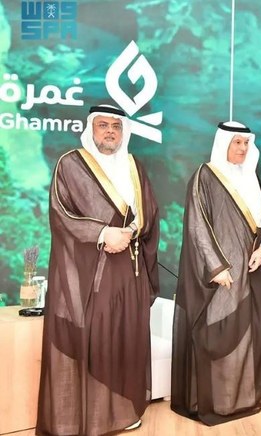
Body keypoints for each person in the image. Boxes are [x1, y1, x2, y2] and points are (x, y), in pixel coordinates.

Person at [37, 105, 160, 435]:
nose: (110, 132)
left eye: (116, 126)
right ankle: (90, 419)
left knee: (126, 339)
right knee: (95, 339)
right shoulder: (71, 164)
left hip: (131, 272)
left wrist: (130, 232)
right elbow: (62, 215)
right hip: (91, 273)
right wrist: (104, 234)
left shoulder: (134, 166)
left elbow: (149, 212)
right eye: (103, 125)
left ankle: (123, 413)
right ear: (91, 129)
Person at [171, 121, 261, 424]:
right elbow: (197, 224)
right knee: (218, 334)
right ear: (223, 143)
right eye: (236, 142)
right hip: (221, 278)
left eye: (246, 143)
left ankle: (241, 400)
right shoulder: (206, 175)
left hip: (250, 272)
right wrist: (216, 267)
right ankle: (215, 402)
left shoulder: (252, 179)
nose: (242, 148)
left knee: (248, 335)